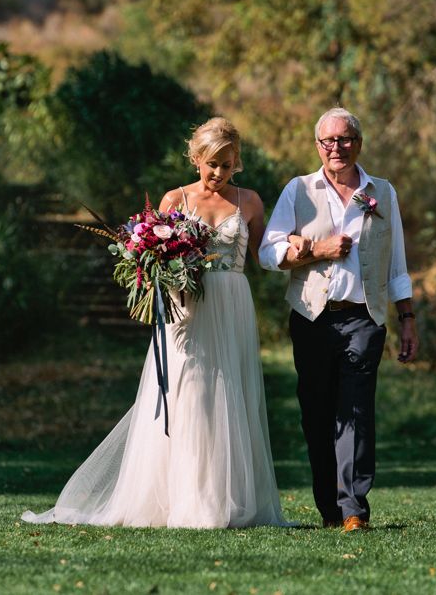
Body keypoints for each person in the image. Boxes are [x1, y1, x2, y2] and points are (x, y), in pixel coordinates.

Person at [22, 117, 285, 528]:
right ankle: (190, 501)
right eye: (212, 163)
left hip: (233, 304)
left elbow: (265, 256)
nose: (219, 173)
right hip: (188, 309)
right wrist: (161, 278)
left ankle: (228, 499)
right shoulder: (174, 200)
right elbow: (153, 262)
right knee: (191, 395)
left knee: (232, 395)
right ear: (196, 158)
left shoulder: (249, 201)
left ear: (238, 163)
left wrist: (307, 251)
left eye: (228, 164)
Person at [258, 107, 418, 532]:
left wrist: (407, 317)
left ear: (358, 143)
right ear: (317, 146)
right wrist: (314, 251)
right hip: (311, 318)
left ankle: (353, 511)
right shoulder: (298, 189)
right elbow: (268, 252)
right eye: (328, 141)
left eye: (345, 139)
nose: (336, 147)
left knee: (357, 411)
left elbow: (396, 260)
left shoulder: (382, 192)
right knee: (317, 413)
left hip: (364, 317)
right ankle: (329, 508)